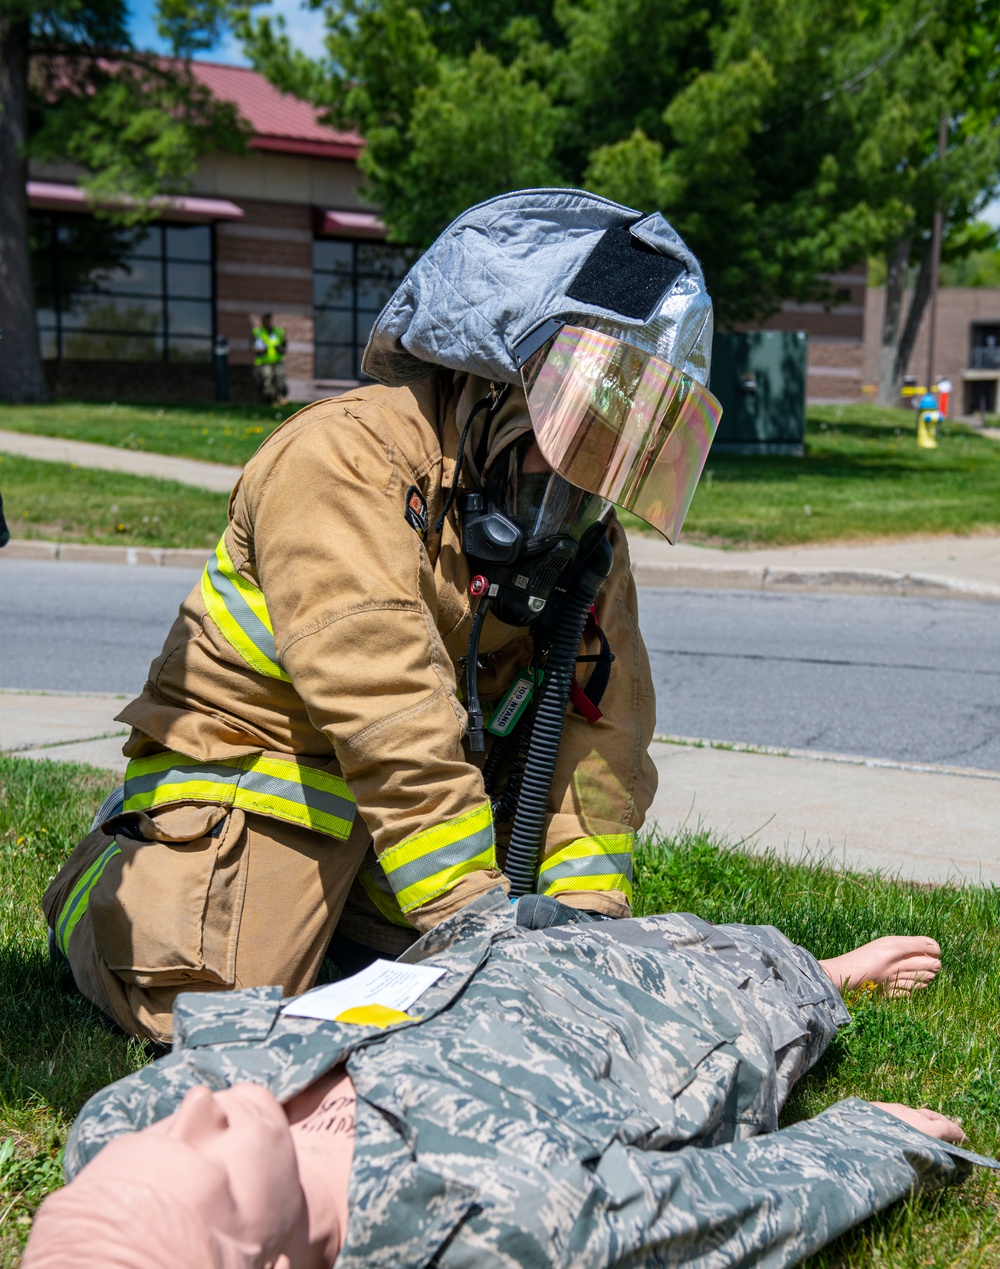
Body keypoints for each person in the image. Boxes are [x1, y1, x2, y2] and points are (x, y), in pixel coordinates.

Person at [41, 189, 721, 1044]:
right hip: (272, 762)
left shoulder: (585, 536)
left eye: (621, 441)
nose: (586, 476)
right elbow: (387, 703)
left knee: (451, 1000)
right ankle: (101, 881)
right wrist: (478, 924)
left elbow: (604, 735)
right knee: (207, 1010)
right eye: (577, 427)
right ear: (488, 382)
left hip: (410, 800)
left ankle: (369, 920)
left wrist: (583, 927)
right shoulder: (344, 458)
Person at [18, 891, 992, 1269]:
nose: (193, 1115)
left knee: (572, 916)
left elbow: (185, 1082)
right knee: (747, 975)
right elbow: (718, 1215)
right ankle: (825, 974)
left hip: (478, 952)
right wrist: (871, 1144)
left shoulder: (123, 1146)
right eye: (215, 1164)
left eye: (154, 1143)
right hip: (666, 1018)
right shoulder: (514, 1232)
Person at [251, 313, 288, 404]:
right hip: (264, 362)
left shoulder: (278, 332)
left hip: (277, 361)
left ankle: (282, 398)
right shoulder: (257, 332)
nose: (266, 322)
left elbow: (284, 346)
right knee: (268, 382)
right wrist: (259, 350)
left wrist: (280, 349)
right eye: (264, 320)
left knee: (280, 381)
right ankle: (272, 401)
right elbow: (252, 347)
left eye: (268, 319)